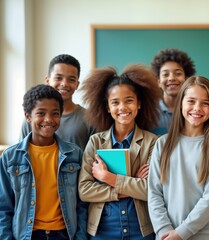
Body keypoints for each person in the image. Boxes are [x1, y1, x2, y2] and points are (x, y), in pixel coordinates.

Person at [78, 64, 161, 239]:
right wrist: (131, 186)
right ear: (108, 107)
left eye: (129, 100)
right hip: (102, 231)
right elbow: (84, 190)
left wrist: (107, 178)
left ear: (138, 104)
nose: (122, 107)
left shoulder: (152, 141)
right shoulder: (96, 141)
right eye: (115, 102)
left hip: (142, 231)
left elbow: (152, 190)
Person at [0, 84, 87, 239]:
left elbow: (82, 204)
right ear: (28, 116)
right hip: (27, 235)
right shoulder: (10, 157)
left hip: (64, 234)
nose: (48, 119)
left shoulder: (75, 154)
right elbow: (3, 207)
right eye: (41, 113)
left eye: (55, 113)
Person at [148, 76, 209, 240]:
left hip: (206, 235)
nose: (197, 108)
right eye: (191, 101)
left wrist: (181, 233)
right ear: (181, 104)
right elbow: (154, 193)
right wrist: (164, 230)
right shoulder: (162, 144)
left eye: (205, 103)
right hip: (166, 235)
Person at [20, 54, 95, 150]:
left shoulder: (89, 118)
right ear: (47, 80)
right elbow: (21, 153)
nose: (64, 84)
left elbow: (93, 157)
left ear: (77, 84)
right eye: (58, 78)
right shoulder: (33, 118)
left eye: (71, 79)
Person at [150, 48, 196, 135]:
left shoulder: (196, 111)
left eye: (178, 73)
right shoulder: (149, 113)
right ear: (158, 81)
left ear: (186, 79)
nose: (171, 78)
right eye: (165, 74)